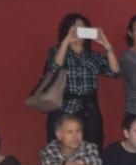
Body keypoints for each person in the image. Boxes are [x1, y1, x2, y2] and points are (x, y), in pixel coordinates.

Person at [43, 13, 120, 149]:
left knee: (92, 145)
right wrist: (66, 42)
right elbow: (54, 68)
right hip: (63, 106)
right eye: (74, 28)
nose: (78, 32)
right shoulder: (57, 51)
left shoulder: (92, 56)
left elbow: (115, 72)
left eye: (82, 28)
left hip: (89, 107)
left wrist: (106, 45)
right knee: (60, 147)